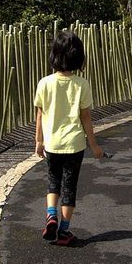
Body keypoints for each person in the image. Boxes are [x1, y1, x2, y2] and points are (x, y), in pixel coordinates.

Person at [34, 30, 103, 246]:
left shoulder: (44, 83)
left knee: (53, 181)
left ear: (54, 55)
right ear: (79, 58)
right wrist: (94, 145)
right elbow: (86, 119)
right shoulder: (82, 85)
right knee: (69, 187)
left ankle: (51, 214)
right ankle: (64, 231)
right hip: (74, 144)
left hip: (52, 144)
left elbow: (40, 115)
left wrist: (39, 141)